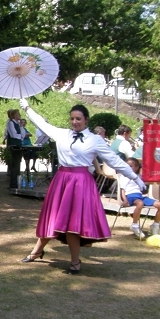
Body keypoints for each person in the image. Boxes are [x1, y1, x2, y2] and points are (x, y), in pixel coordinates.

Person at [19, 100, 144, 275]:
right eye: (72, 119)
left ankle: (75, 261)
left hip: (80, 183)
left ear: (86, 120)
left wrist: (134, 177)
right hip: (61, 180)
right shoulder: (62, 134)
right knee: (54, 219)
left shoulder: (95, 140)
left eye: (78, 118)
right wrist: (26, 108)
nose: (75, 122)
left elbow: (114, 160)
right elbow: (41, 123)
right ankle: (37, 251)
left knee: (72, 224)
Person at [119, 158, 160, 238]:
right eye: (127, 166)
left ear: (137, 167)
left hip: (140, 196)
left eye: (131, 166)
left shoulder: (139, 176)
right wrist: (124, 199)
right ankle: (134, 225)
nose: (128, 167)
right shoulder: (124, 176)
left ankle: (155, 225)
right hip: (130, 196)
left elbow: (147, 183)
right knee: (140, 203)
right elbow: (122, 190)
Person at [5, 108, 24, 188]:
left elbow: (22, 135)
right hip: (13, 146)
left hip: (18, 145)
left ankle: (16, 182)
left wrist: (21, 126)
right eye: (17, 114)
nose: (19, 115)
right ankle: (13, 184)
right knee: (14, 165)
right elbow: (13, 134)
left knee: (17, 164)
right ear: (14, 116)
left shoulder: (17, 123)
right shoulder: (10, 123)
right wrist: (20, 136)